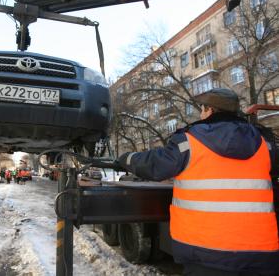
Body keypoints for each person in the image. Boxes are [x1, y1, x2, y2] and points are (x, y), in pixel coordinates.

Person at [116, 88, 279, 275]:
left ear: (209, 110)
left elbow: (154, 165)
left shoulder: (189, 141)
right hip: (260, 254)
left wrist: (125, 159)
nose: (201, 114)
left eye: (202, 109)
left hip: (205, 253)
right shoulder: (263, 143)